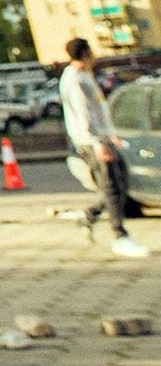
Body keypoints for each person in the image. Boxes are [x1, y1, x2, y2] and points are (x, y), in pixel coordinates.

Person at [60, 37, 151, 257]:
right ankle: (119, 235)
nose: (95, 57)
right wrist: (98, 143)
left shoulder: (84, 76)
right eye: (91, 52)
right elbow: (84, 117)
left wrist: (111, 135)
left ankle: (89, 215)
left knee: (121, 183)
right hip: (91, 142)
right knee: (111, 186)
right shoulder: (74, 80)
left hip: (103, 139)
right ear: (84, 54)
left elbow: (99, 110)